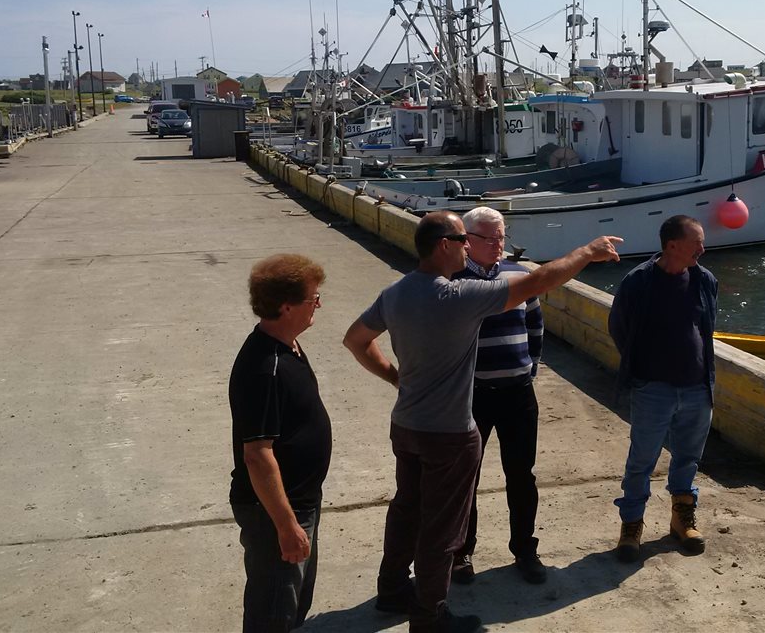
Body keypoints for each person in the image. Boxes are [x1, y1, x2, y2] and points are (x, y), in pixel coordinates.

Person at [343, 211, 621, 633]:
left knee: (406, 509)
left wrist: (395, 377)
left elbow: (355, 340)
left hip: (407, 425)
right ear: (445, 246)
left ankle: (393, 588)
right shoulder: (459, 296)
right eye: (461, 239)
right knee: (442, 529)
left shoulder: (396, 293)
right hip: (449, 433)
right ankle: (430, 616)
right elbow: (538, 281)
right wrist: (586, 251)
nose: (468, 247)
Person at [228, 254, 331, 632]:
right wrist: (286, 526)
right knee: (272, 614)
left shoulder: (288, 347)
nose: (317, 305)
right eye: (312, 299)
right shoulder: (264, 367)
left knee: (291, 608)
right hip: (274, 512)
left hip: (299, 503)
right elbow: (257, 455)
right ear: (286, 306)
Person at [607, 215, 717, 562]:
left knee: (687, 458)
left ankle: (681, 519)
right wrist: (643, 370)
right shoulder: (638, 282)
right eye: (696, 241)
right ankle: (632, 526)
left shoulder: (704, 280)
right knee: (641, 461)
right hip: (653, 389)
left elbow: (707, 328)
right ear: (673, 245)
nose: (702, 248)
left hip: (697, 388)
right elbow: (618, 328)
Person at [450, 207, 546, 586]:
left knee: (522, 475)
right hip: (471, 395)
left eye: (501, 237)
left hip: (518, 393)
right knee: (464, 478)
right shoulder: (452, 280)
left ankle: (525, 548)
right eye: (489, 238)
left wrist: (529, 367)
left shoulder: (519, 275)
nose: (497, 244)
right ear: (467, 241)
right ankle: (461, 552)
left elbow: (535, 326)